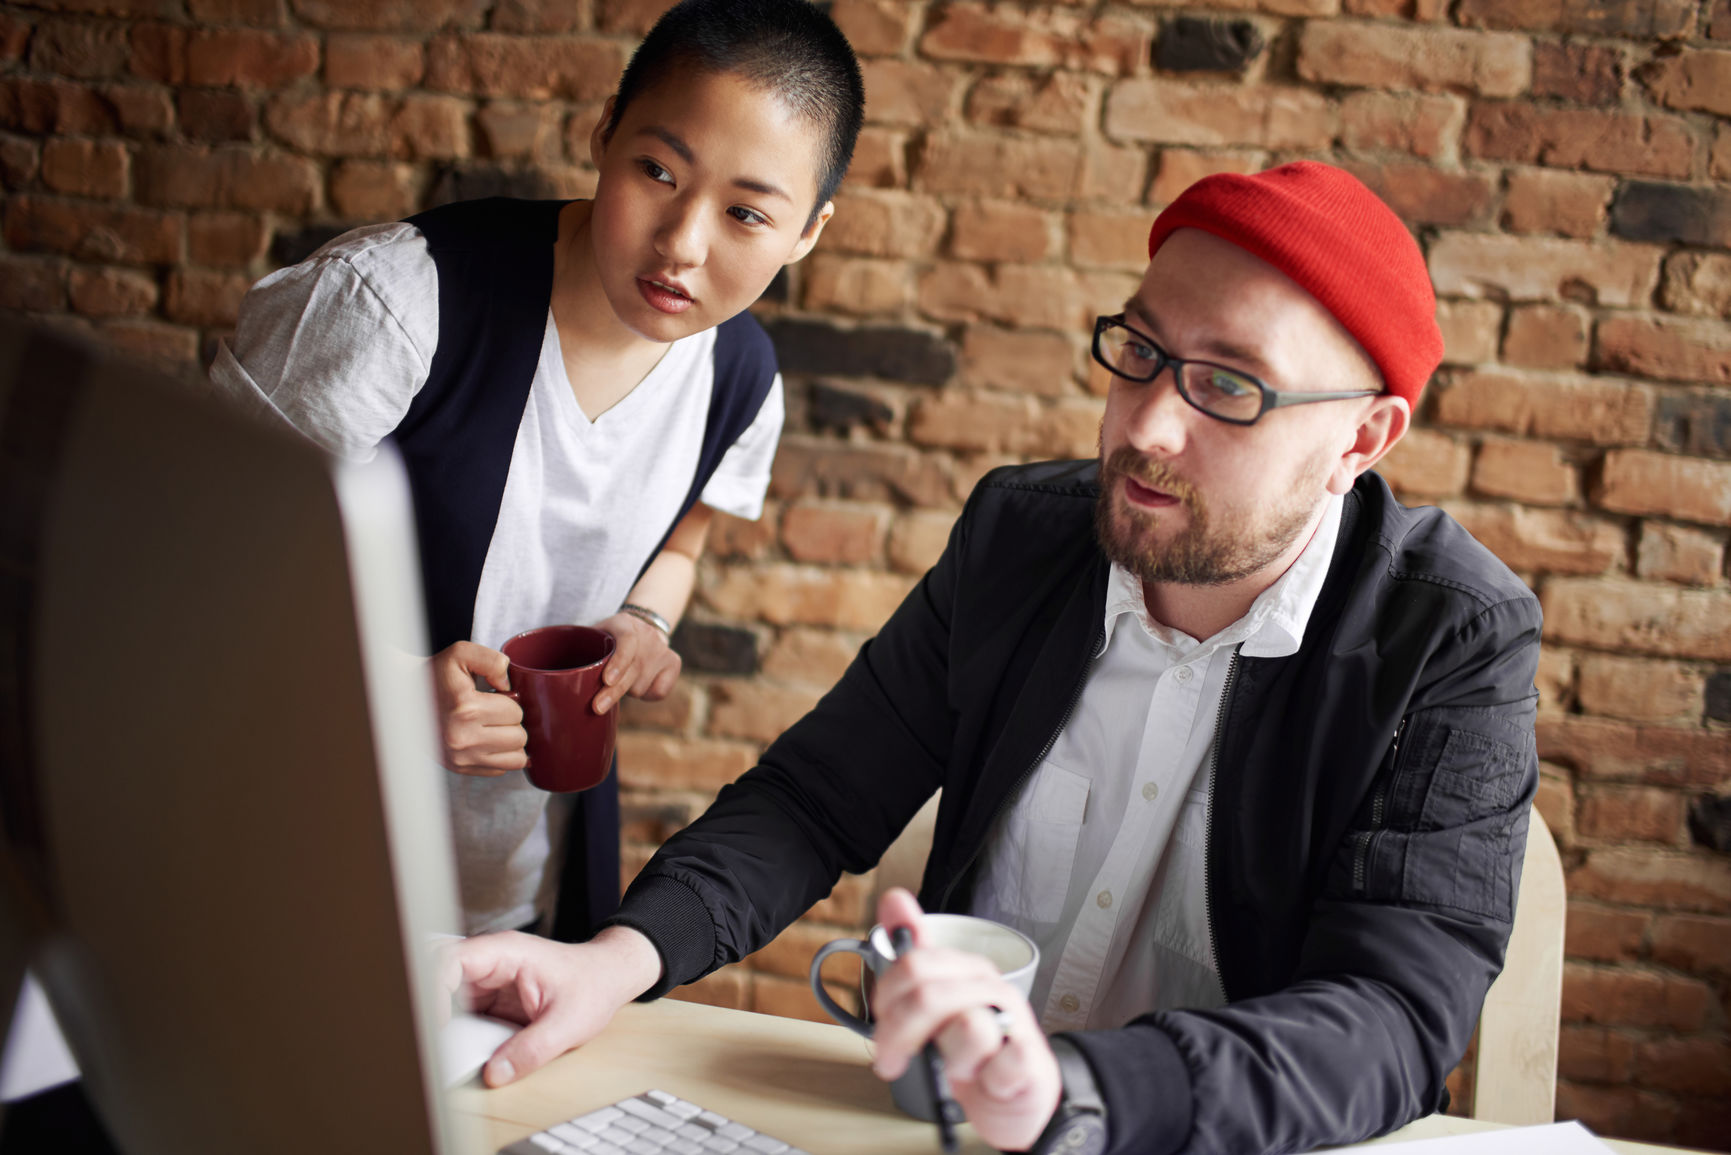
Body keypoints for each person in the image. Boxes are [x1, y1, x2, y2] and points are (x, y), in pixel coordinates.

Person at [449, 161, 1542, 1155]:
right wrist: (615, 961)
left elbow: (1392, 1016)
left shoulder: (1451, 637)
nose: (1149, 427)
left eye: (1229, 387)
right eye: (1145, 354)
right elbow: (817, 797)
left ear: (1361, 440)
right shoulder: (1024, 531)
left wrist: (1074, 1092)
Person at [208, 0, 864, 938]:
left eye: (747, 212)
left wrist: (642, 617)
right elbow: (195, 552)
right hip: (287, 844)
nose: (682, 243)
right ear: (603, 133)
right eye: (656, 170)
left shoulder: (740, 374)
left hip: (508, 872)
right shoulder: (396, 304)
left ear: (808, 230)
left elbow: (683, 537)